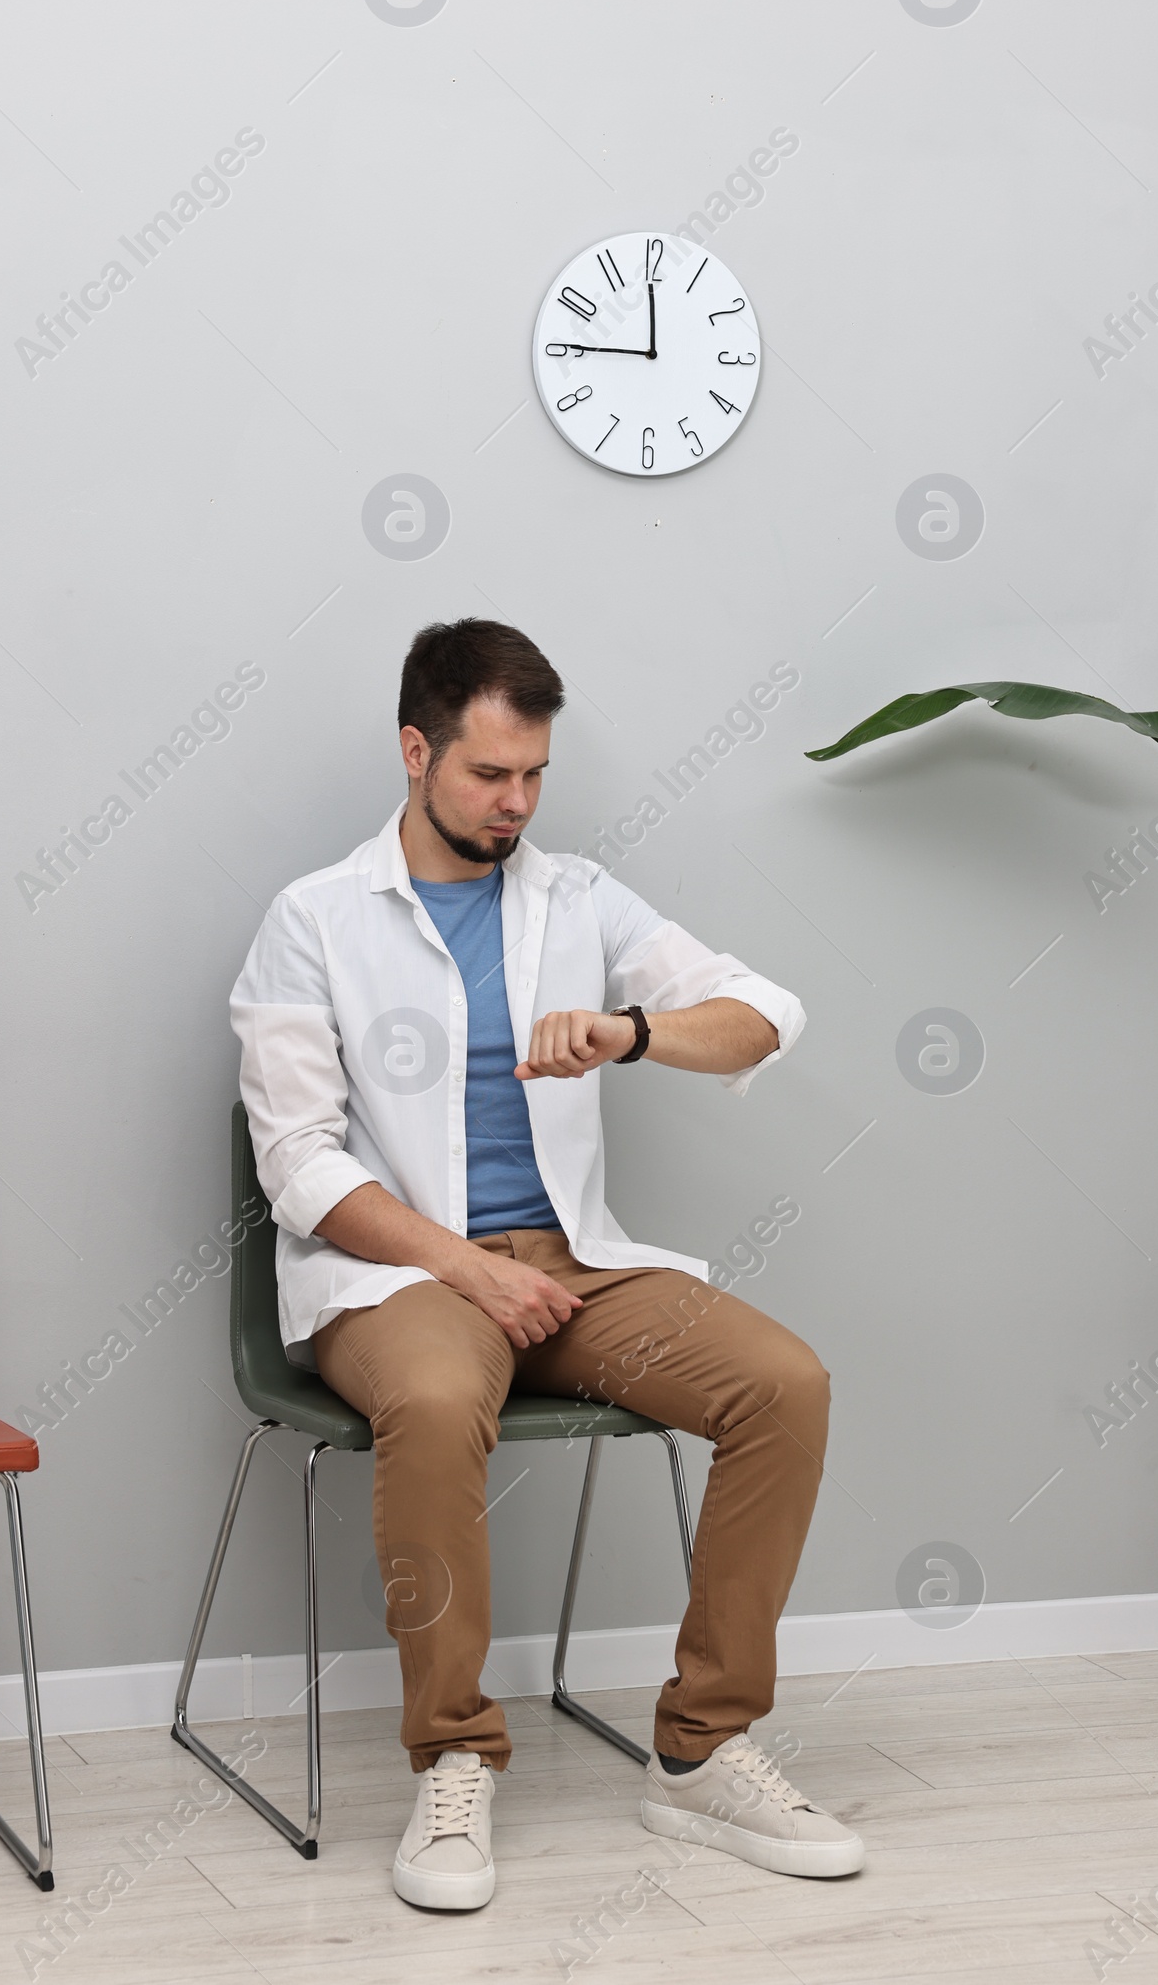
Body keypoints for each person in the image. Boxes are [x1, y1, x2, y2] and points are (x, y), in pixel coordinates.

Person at [230, 618, 862, 1912]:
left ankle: (698, 1749)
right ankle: (455, 1756)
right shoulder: (313, 922)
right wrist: (467, 1272)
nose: (514, 804)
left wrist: (632, 1033)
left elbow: (763, 1014)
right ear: (416, 752)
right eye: (487, 776)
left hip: (571, 1266)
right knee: (437, 1398)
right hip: (395, 1278)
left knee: (781, 1385)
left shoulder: (577, 899)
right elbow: (298, 1167)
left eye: (534, 778)